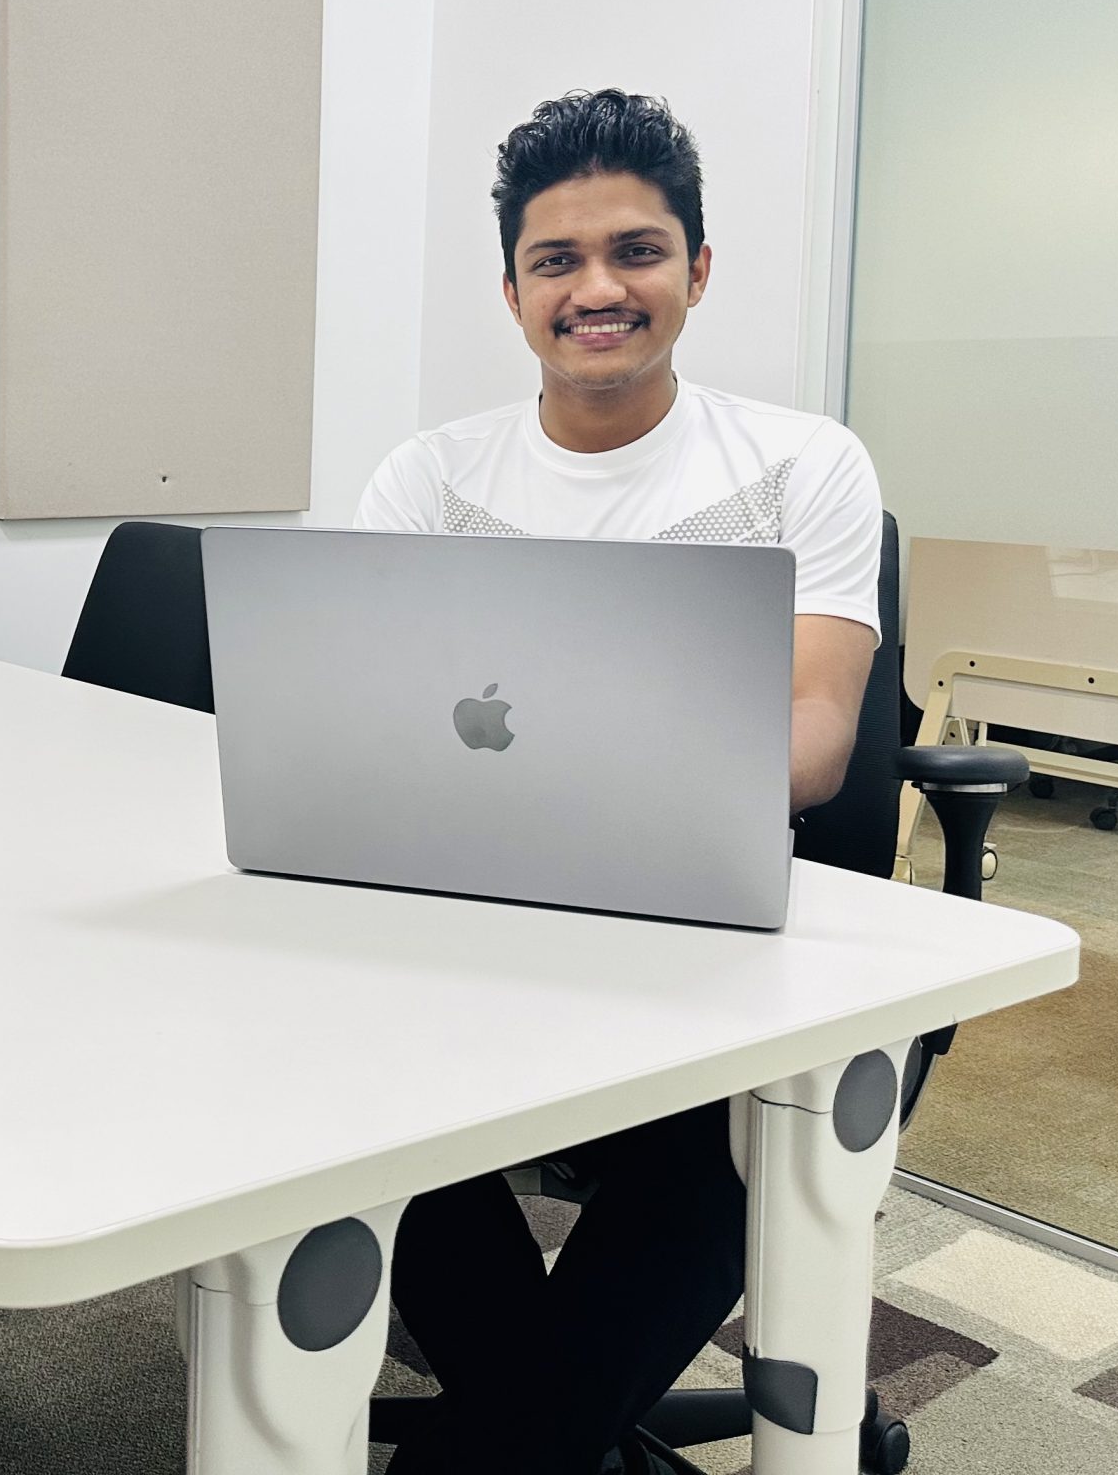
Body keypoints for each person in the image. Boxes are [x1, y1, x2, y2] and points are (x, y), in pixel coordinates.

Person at [358, 89, 883, 1473]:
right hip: (471, 901)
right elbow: (375, 730)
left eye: (638, 252)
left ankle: (502, 1447)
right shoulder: (428, 478)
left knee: (723, 1126)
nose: (598, 289)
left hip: (714, 910)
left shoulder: (798, 467)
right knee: (346, 1080)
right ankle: (541, 1435)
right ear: (515, 289)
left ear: (697, 272)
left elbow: (818, 734)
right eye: (558, 261)